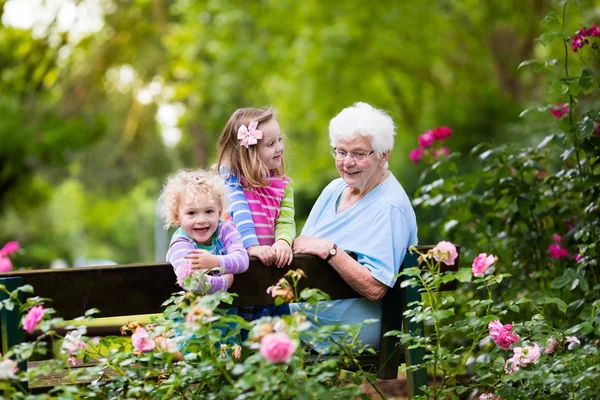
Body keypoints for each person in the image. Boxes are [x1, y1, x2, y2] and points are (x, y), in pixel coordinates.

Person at [290, 102, 418, 352]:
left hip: (354, 331)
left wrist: (330, 250)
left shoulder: (390, 207)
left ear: (384, 154)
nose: (347, 162)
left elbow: (375, 286)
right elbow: (302, 247)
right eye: (340, 152)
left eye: (359, 154)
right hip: (306, 319)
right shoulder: (333, 190)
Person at [216, 107, 295, 322]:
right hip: (240, 271)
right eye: (270, 144)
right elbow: (239, 211)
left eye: (279, 140)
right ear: (248, 152)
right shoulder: (230, 180)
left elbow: (285, 221)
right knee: (240, 328)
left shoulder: (284, 185)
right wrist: (252, 247)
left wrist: (283, 242)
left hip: (270, 270)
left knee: (277, 328)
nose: (280, 147)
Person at [160, 169, 249, 294]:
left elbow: (242, 260)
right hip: (194, 312)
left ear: (219, 212)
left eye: (209, 211)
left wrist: (215, 262)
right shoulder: (180, 243)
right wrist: (224, 282)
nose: (201, 220)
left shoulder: (225, 229)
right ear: (177, 217)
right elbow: (191, 282)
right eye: (192, 213)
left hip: (228, 310)